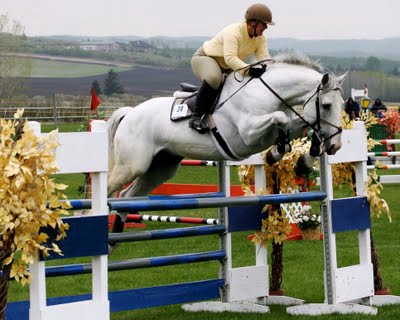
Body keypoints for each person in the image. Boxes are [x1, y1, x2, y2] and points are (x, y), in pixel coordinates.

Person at [189, 3, 274, 133]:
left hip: (227, 66)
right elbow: (230, 58)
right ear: (253, 23)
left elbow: (264, 59)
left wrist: (269, 70)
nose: (266, 27)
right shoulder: (233, 32)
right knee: (214, 78)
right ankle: (196, 117)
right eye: (264, 24)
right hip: (206, 58)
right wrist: (250, 69)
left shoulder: (260, 39)